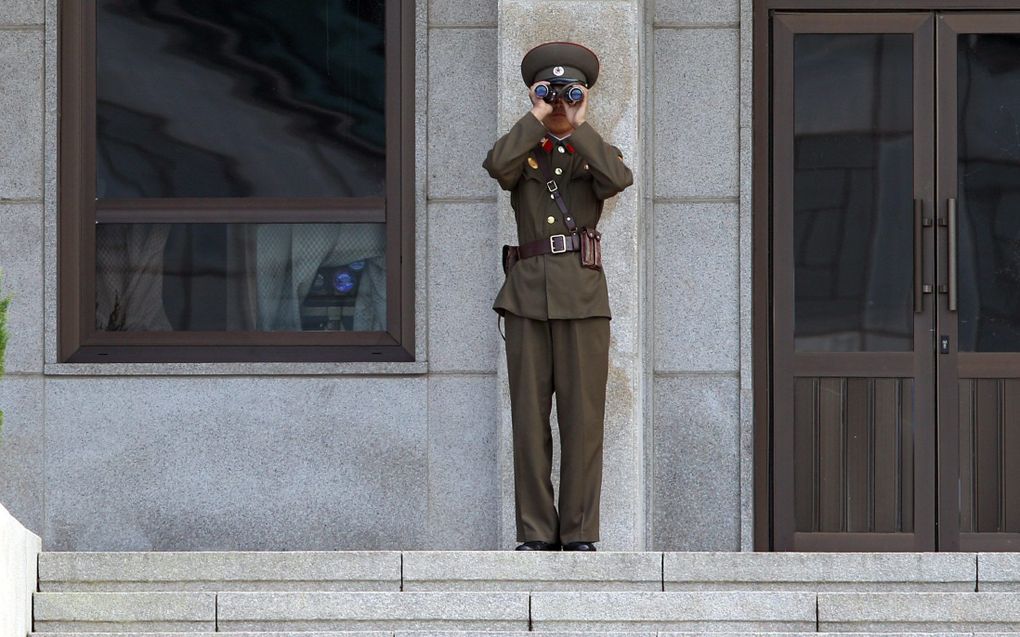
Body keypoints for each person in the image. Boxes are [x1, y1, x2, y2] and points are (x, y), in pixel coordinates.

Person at [482, 41, 633, 551]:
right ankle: (536, 533)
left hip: (584, 301)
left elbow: (618, 179)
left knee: (583, 420)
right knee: (528, 420)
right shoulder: (522, 151)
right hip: (525, 298)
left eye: (570, 94)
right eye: (554, 93)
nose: (561, 103)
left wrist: (581, 123)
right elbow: (496, 165)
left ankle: (580, 533)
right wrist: (536, 116)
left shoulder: (595, 153)